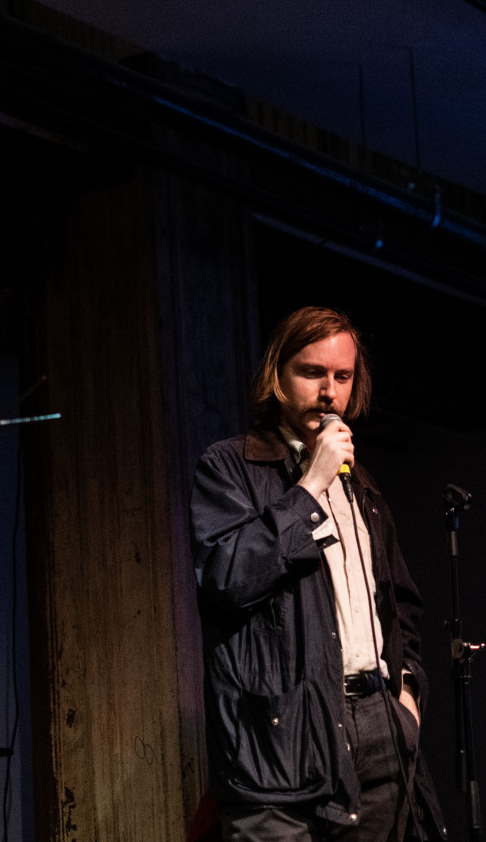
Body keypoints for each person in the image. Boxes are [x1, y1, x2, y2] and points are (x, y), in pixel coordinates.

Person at [191, 306, 446, 841]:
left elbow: (400, 603)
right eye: (313, 373)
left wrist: (406, 695)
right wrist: (309, 487)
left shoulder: (364, 486)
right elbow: (226, 579)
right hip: (281, 739)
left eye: (342, 377)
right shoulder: (231, 466)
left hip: (379, 728)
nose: (329, 392)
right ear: (278, 377)